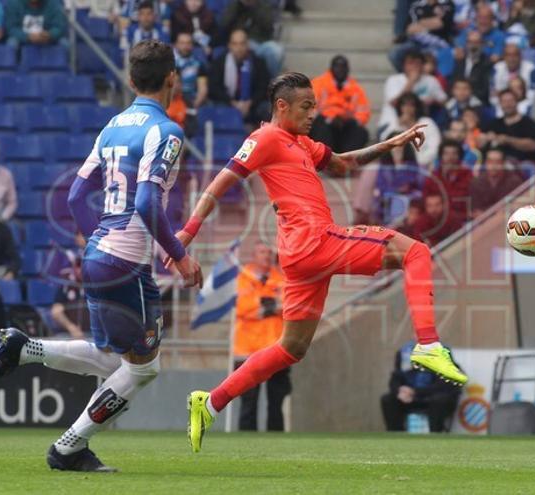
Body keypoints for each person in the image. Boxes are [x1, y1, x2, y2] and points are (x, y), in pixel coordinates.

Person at [173, 71, 468, 453]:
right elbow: (219, 183)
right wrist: (187, 233)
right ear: (282, 106)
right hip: (314, 241)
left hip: (301, 258)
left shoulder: (300, 143)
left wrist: (389, 143)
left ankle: (210, 402)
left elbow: (343, 164)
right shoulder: (264, 138)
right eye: (306, 106)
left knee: (291, 347)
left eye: (315, 105)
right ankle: (428, 344)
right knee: (416, 251)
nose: (315, 112)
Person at [0, 40, 202, 472]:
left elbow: (77, 194)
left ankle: (24, 349)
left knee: (112, 356)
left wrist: (93, 240)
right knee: (143, 370)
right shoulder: (166, 131)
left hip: (101, 254)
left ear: (131, 80)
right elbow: (149, 203)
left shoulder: (112, 126)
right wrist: (182, 256)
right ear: (173, 77)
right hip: (128, 261)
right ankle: (69, 446)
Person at [233, 242, 289, 432]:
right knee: (248, 402)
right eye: (262, 252)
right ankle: (244, 443)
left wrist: (262, 305)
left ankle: (277, 441)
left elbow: (288, 306)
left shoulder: (281, 279)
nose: (267, 255)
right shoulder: (243, 278)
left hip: (276, 350)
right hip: (247, 350)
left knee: (276, 401)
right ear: (253, 256)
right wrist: (273, 305)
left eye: (269, 252)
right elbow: (244, 308)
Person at [381, 341, 461, 432]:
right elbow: (395, 378)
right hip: (409, 398)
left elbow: (444, 383)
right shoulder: (405, 353)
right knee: (388, 399)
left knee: (440, 399)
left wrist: (415, 391)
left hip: (432, 397)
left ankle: (436, 434)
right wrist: (400, 391)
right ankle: (396, 435)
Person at [208, 29, 270, 127]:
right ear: (229, 45)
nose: (239, 48)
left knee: (267, 108)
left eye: (242, 44)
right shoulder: (219, 62)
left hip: (252, 104)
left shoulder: (258, 62)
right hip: (227, 102)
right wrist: (232, 102)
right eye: (235, 44)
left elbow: (263, 87)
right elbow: (213, 88)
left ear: (247, 45)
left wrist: (250, 103)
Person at [379, 50, 447, 139]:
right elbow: (395, 103)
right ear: (404, 66)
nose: (415, 67)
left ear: (423, 66)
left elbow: (444, 100)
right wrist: (411, 82)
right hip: (392, 122)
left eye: (418, 64)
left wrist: (432, 101)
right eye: (411, 63)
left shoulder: (431, 80)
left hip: (420, 123)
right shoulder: (394, 80)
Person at [310, 55, 370, 154]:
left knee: (361, 132)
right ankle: (325, 159)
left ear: (348, 69)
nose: (340, 69)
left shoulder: (356, 88)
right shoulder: (318, 83)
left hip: (345, 126)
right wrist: (330, 119)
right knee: (320, 124)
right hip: (324, 124)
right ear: (331, 68)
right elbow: (310, 109)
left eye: (343, 67)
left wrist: (350, 120)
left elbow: (363, 113)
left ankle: (346, 162)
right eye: (337, 66)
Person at [220, 0, 284, 76]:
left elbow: (268, 26)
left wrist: (254, 6)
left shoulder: (264, 5)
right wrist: (239, 6)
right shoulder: (234, 5)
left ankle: (273, 81)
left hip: (261, 42)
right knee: (241, 46)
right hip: (240, 42)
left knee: (277, 50)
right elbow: (224, 24)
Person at [478, 89, 535, 164]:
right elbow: (480, 143)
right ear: (500, 104)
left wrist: (508, 140)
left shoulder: (529, 123)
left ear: (517, 102)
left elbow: (533, 146)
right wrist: (486, 138)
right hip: (496, 165)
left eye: (510, 101)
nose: (508, 104)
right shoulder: (493, 124)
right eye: (504, 102)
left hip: (522, 165)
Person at [388, 0, 456, 71]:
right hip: (416, 43)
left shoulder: (446, 3)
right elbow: (409, 28)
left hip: (438, 43)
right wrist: (430, 24)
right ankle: (409, 76)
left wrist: (420, 22)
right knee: (394, 54)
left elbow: (441, 23)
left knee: (435, 61)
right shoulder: (416, 5)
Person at [381, 92, 442, 170]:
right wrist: (398, 125)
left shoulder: (427, 122)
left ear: (417, 107)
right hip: (397, 167)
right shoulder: (395, 124)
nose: (407, 108)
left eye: (411, 105)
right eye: (404, 105)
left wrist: (418, 163)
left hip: (424, 167)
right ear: (400, 107)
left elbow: (434, 147)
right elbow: (383, 144)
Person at [45, 231, 89, 339]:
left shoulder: (99, 283)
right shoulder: (67, 282)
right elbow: (56, 311)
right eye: (78, 265)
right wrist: (71, 328)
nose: (81, 269)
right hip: (69, 335)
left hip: (94, 336)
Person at [423, 139, 473, 221]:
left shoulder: (468, 175)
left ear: (459, 156)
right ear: (441, 156)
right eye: (446, 154)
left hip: (462, 219)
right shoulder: (433, 177)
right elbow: (426, 201)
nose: (450, 157)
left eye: (454, 153)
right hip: (437, 219)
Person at [469, 147, 523, 217]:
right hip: (483, 222)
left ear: (503, 164)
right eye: (490, 162)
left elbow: (518, 208)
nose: (493, 165)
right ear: (485, 163)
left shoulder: (514, 182)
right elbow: (475, 211)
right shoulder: (476, 182)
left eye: (498, 162)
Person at [173, 31, 208, 134]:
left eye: (188, 43)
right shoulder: (170, 63)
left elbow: (203, 89)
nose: (185, 46)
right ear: (176, 45)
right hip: (173, 99)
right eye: (182, 43)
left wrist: (194, 104)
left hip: (192, 100)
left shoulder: (198, 64)